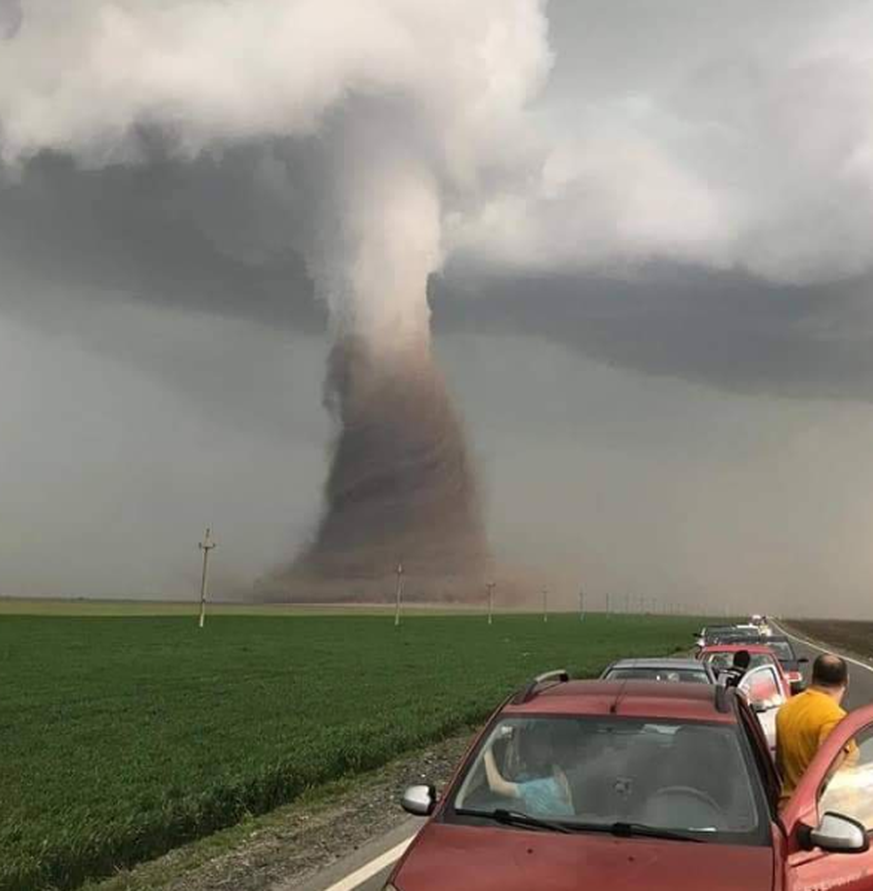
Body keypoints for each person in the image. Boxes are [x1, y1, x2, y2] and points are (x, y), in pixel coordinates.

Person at [776, 653, 854, 808]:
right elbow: (830, 778)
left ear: (812, 676)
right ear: (847, 680)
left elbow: (780, 763)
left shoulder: (786, 708)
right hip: (823, 816)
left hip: (789, 809)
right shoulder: (835, 718)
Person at [483, 724, 573, 816]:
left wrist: (486, 747)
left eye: (540, 743)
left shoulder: (546, 787)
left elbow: (496, 785)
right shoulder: (563, 774)